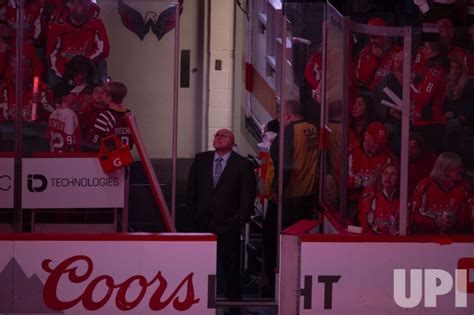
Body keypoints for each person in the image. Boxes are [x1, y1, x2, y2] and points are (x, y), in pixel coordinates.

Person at [186, 128, 256, 300]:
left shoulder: (243, 164)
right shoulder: (201, 159)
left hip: (229, 224)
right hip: (202, 222)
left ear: (232, 142)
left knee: (230, 266)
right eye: (216, 135)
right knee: (200, 264)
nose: (218, 138)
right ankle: (198, 298)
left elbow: (247, 197)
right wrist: (195, 214)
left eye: (223, 135)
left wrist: (237, 220)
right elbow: (191, 190)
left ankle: (233, 303)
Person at [46, 0, 110, 86]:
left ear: (87, 6)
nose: (75, 7)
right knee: (51, 71)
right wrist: (68, 74)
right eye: (72, 3)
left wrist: (83, 65)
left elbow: (104, 49)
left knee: (102, 62)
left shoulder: (96, 24)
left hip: (88, 68)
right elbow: (51, 54)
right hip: (64, 68)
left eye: (79, 3)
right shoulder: (57, 26)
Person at [411, 152, 471, 234]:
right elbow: (414, 214)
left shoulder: (463, 187)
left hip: (454, 238)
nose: (461, 171)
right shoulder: (425, 186)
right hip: (426, 238)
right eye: (456, 168)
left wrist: (456, 220)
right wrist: (434, 221)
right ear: (445, 170)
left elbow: (468, 214)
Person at [348, 121, 395, 222]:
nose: (377, 146)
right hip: (355, 202)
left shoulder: (387, 157)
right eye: (374, 141)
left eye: (380, 143)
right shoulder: (352, 153)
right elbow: (345, 182)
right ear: (366, 135)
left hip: (379, 203)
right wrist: (363, 183)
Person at [356, 17, 402, 91]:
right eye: (370, 37)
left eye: (375, 37)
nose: (371, 41)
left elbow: (402, 82)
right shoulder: (366, 52)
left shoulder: (399, 53)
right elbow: (362, 80)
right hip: (370, 96)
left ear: (385, 36)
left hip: (391, 97)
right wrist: (373, 58)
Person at [86, 81, 132, 151]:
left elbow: (94, 143)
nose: (101, 95)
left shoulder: (105, 116)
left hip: (110, 158)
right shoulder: (129, 115)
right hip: (127, 157)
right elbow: (133, 139)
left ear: (109, 97)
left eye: (103, 92)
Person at [358, 163, 400, 235]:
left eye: (392, 174)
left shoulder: (401, 200)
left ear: (398, 180)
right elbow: (365, 226)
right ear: (381, 176)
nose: (388, 177)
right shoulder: (371, 195)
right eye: (385, 173)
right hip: (373, 241)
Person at [46, 85, 81, 152]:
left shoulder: (53, 114)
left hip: (53, 154)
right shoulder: (70, 114)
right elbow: (69, 140)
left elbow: (48, 137)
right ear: (64, 97)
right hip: (65, 157)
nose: (75, 95)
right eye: (72, 94)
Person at [408, 132, 437, 197]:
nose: (408, 150)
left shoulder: (431, 161)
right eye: (406, 147)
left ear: (420, 149)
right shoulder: (401, 161)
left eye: (412, 147)